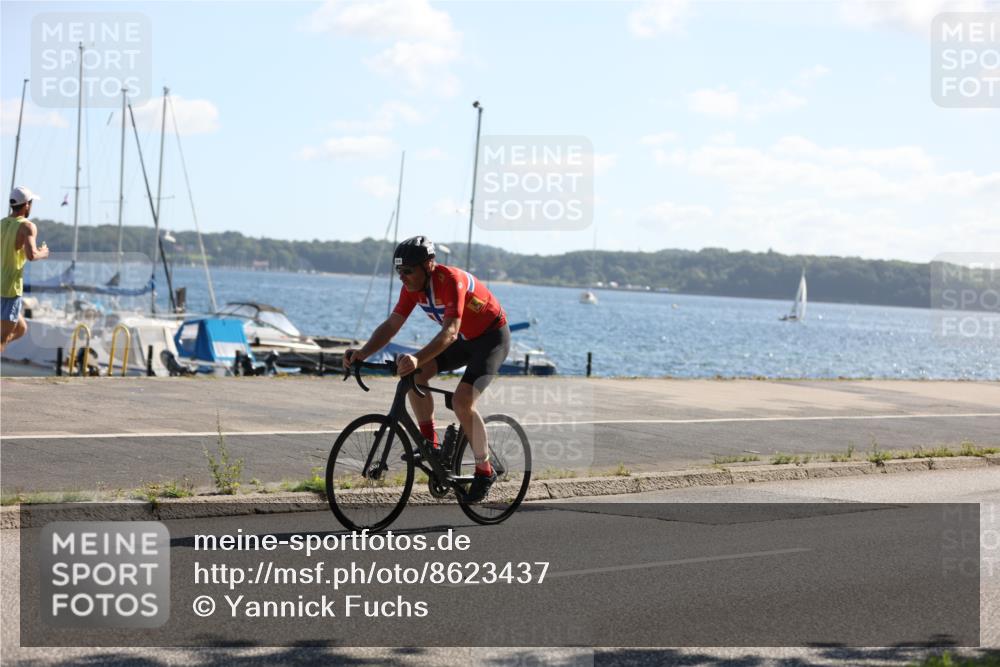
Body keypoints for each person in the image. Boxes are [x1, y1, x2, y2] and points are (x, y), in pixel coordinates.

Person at [345, 236, 510, 503]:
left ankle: (484, 470)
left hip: (491, 340)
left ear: (429, 265)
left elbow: (451, 332)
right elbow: (392, 324)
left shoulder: (451, 281)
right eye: (399, 272)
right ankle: (430, 443)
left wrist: (416, 357)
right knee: (417, 376)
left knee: (462, 401)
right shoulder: (411, 288)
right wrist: (362, 352)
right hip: (464, 340)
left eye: (408, 270)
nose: (403, 277)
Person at [2, 186, 49, 352]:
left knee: (21, 329)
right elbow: (31, 255)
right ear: (27, 205)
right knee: (2, 338)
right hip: (9, 289)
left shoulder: (1, 224)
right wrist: (44, 253)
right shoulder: (27, 226)